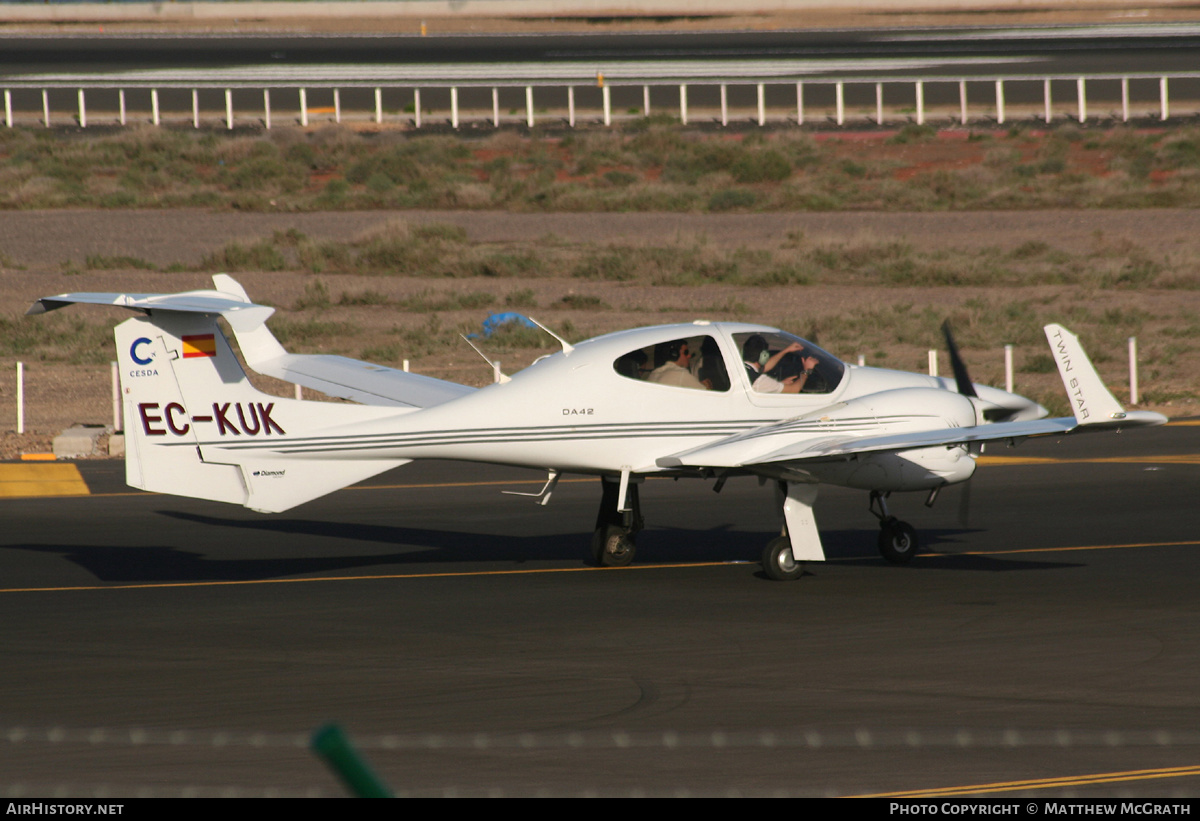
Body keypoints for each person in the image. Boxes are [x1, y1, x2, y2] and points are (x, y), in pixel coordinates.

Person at [742, 334, 818, 394]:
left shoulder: (741, 368)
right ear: (764, 356)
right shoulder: (758, 381)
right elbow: (793, 390)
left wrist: (786, 351)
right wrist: (807, 370)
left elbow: (764, 368)